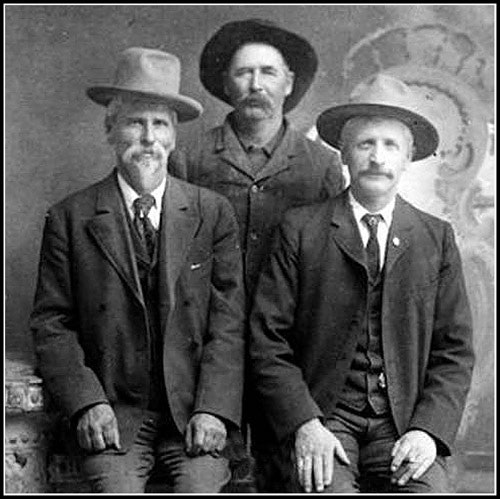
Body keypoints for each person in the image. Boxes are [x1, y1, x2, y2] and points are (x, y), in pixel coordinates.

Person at [29, 47, 245, 493]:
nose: (148, 138)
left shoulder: (212, 213)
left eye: (160, 124)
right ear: (110, 129)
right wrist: (87, 403)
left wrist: (214, 408)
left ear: (173, 138)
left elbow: (230, 323)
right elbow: (52, 324)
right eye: (134, 122)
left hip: (191, 413)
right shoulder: (70, 218)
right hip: (114, 413)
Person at [249, 73, 474, 493]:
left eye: (391, 146)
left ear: (407, 159)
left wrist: (427, 430)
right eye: (365, 144)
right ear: (344, 156)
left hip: (403, 422)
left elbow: (454, 351)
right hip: (326, 418)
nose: (377, 158)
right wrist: (304, 422)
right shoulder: (301, 229)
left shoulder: (435, 238)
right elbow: (267, 341)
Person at [171, 18, 344, 298]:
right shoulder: (188, 159)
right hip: (209, 324)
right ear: (226, 84)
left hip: (287, 328)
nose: (256, 85)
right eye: (243, 73)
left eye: (268, 72)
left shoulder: (322, 165)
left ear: (288, 83)